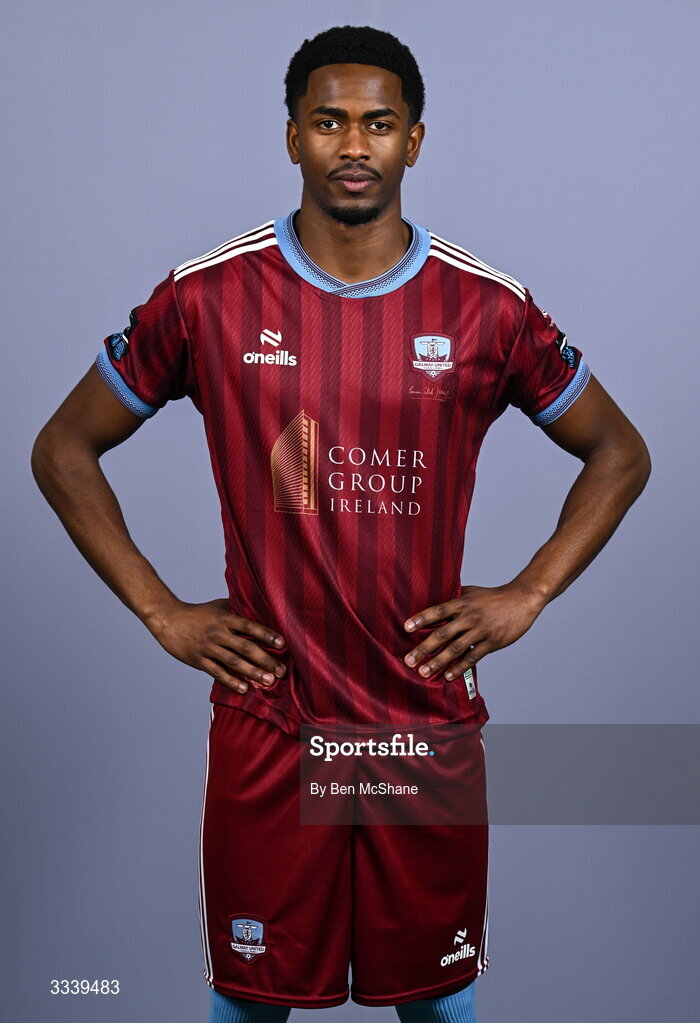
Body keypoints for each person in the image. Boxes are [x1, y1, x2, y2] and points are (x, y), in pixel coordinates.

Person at [31, 23, 650, 1023]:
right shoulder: (209, 297)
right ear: (290, 139)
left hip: (422, 721)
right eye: (328, 123)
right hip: (273, 715)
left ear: (414, 140)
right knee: (251, 1001)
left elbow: (619, 452)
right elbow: (62, 447)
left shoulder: (485, 308)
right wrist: (161, 612)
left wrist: (529, 591)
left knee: (439, 1001)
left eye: (376, 123)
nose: (352, 146)